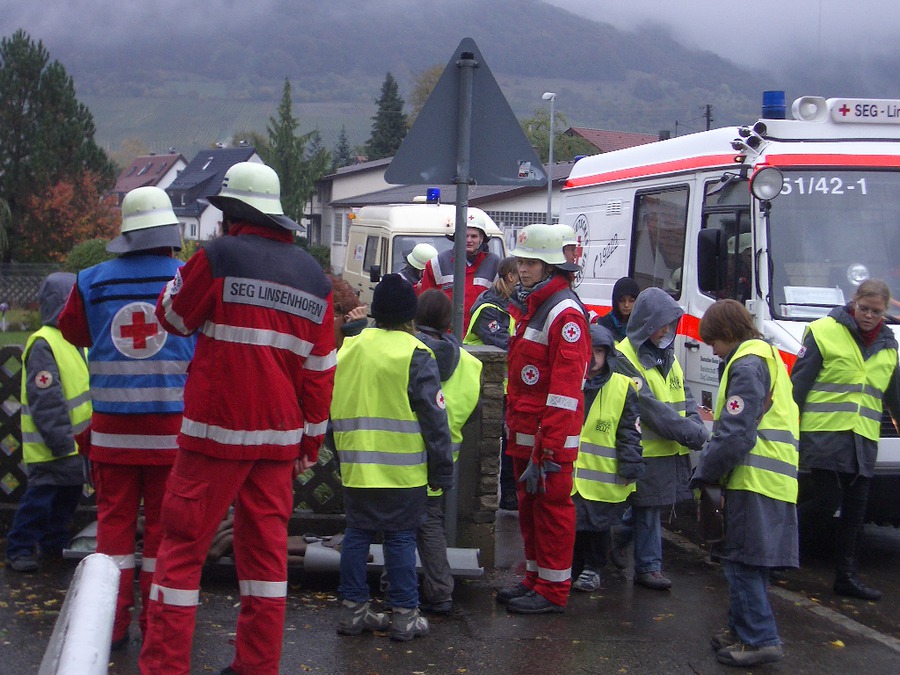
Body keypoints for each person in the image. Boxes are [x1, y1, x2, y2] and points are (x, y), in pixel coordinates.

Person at [139, 162, 336, 675]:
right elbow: (320, 372)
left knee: (181, 552)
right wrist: (309, 444)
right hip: (278, 444)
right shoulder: (315, 279)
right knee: (267, 562)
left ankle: (164, 666)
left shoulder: (219, 257)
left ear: (232, 213)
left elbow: (173, 317)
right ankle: (256, 666)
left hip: (213, 437)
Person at [58, 186, 195, 652]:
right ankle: (156, 624)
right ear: (170, 234)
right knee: (163, 534)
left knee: (113, 532)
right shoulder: (188, 279)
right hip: (173, 436)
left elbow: (74, 331)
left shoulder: (91, 281)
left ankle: (110, 627)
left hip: (112, 436)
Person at [331, 274, 453, 642]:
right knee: (400, 539)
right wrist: (441, 469)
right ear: (409, 314)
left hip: (356, 465)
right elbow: (435, 420)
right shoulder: (416, 353)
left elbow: (333, 404)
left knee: (356, 536)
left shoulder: (350, 348)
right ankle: (404, 615)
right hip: (402, 471)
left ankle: (352, 611)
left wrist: (339, 456)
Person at [691, 299, 799, 667]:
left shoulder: (747, 365)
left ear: (726, 332)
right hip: (773, 479)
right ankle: (740, 631)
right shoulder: (768, 358)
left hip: (752, 479)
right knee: (745, 560)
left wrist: (705, 472)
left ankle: (759, 638)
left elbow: (735, 434)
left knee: (741, 561)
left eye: (713, 342)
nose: (712, 351)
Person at [496, 223, 590, 614]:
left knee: (551, 511)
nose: (523, 269)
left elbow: (565, 390)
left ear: (550, 267)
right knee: (530, 509)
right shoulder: (533, 306)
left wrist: (549, 444)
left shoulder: (564, 314)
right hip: (527, 431)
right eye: (521, 261)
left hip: (548, 438)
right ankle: (535, 579)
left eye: (532, 262)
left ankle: (552, 590)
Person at [792, 279, 900, 601]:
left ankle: (846, 577)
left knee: (855, 511)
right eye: (864, 308)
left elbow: (894, 398)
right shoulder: (823, 331)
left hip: (862, 439)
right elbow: (798, 386)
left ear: (885, 311)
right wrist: (786, 431)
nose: (868, 315)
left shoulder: (888, 345)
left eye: (876, 311)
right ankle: (772, 547)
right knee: (827, 501)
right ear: (854, 302)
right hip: (825, 434)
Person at [614, 287, 708, 590]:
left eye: (669, 323)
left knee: (647, 507)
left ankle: (614, 542)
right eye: (660, 324)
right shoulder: (625, 356)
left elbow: (685, 396)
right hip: (644, 450)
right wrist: (692, 432)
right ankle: (648, 567)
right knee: (649, 508)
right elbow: (649, 408)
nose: (666, 330)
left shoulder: (667, 355)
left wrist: (694, 425)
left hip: (666, 450)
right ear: (645, 323)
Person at [5, 273, 90, 574]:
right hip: (53, 447)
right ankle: (19, 549)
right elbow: (47, 401)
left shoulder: (75, 341)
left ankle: (52, 548)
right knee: (39, 503)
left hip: (74, 446)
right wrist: (63, 442)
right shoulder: (45, 342)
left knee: (65, 502)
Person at [414, 289, 482, 615]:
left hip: (399, 454)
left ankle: (398, 588)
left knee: (396, 528)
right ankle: (440, 591)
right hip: (442, 458)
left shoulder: (408, 352)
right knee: (431, 524)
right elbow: (471, 413)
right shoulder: (470, 364)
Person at [570, 324, 643, 593]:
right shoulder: (568, 380)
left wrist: (631, 465)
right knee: (574, 526)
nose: (593, 358)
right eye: (588, 350)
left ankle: (593, 569)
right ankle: (574, 568)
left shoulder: (623, 387)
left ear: (608, 354)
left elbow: (630, 431)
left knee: (598, 527)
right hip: (572, 477)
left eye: (599, 352)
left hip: (604, 478)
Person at [463, 256, 518, 509]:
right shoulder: (489, 308)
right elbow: (505, 343)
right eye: (521, 273)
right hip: (485, 386)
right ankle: (505, 495)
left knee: (508, 442)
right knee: (493, 445)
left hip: (508, 387)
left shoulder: (512, 304)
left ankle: (510, 494)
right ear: (510, 277)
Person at [419, 211, 501, 332]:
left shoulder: (495, 264)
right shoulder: (437, 263)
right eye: (465, 235)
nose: (469, 240)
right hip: (446, 336)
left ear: (481, 238)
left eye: (474, 236)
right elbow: (425, 305)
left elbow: (503, 302)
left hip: (481, 336)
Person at [597, 276, 640, 341]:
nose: (626, 305)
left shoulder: (642, 326)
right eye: (622, 300)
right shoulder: (603, 325)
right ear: (615, 301)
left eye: (631, 301)